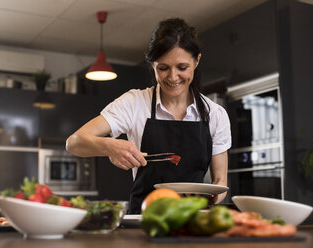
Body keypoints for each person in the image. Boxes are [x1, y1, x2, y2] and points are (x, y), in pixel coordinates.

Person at [66, 18, 231, 214]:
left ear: (196, 61)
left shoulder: (215, 114)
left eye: (182, 67)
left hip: (192, 219)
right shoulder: (134, 102)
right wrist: (109, 146)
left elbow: (220, 181)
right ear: (153, 65)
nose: (172, 77)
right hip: (142, 221)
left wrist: (209, 197)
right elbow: (74, 142)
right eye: (163, 68)